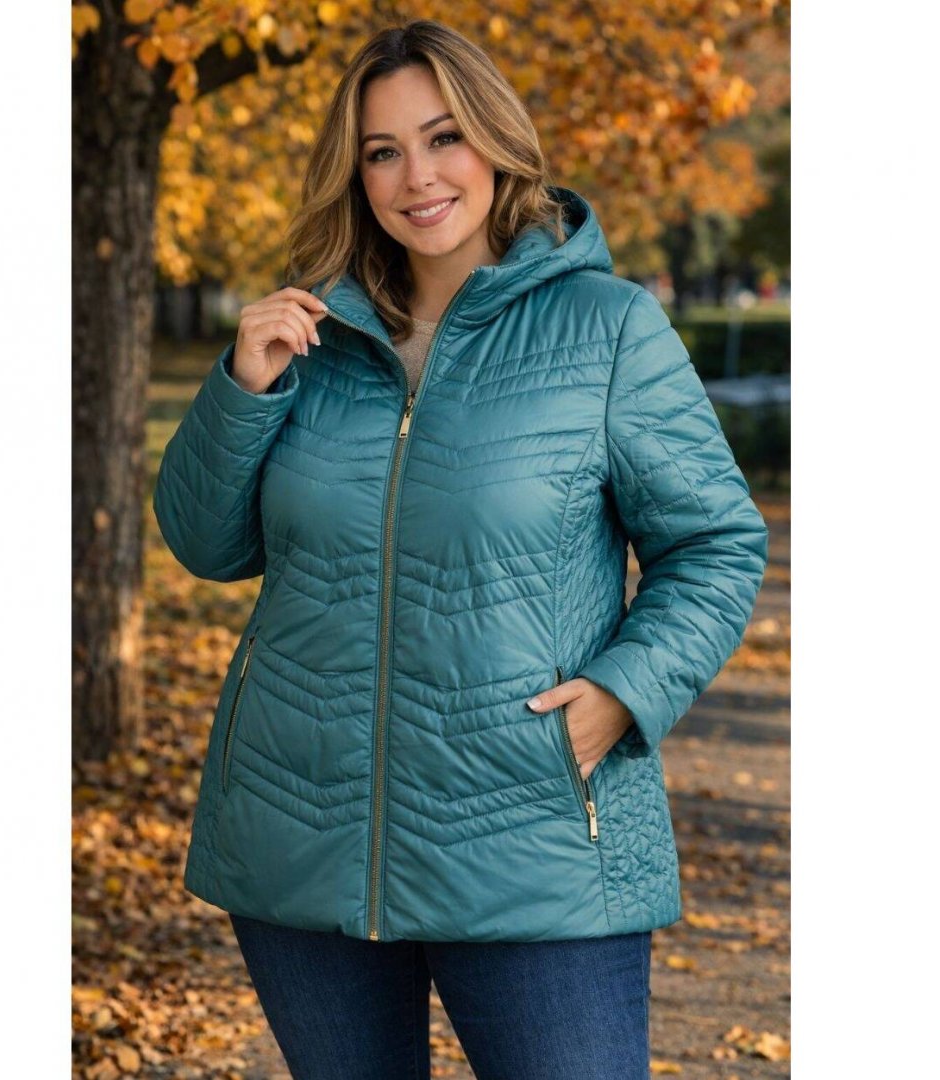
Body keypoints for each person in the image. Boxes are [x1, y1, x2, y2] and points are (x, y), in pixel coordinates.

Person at [152, 19, 769, 1080]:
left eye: (444, 138)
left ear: (495, 140)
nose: (418, 178)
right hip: (304, 826)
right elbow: (206, 544)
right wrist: (243, 389)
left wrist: (622, 693)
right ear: (355, 175)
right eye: (383, 152)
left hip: (532, 836)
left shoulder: (608, 329)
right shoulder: (310, 339)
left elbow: (714, 544)